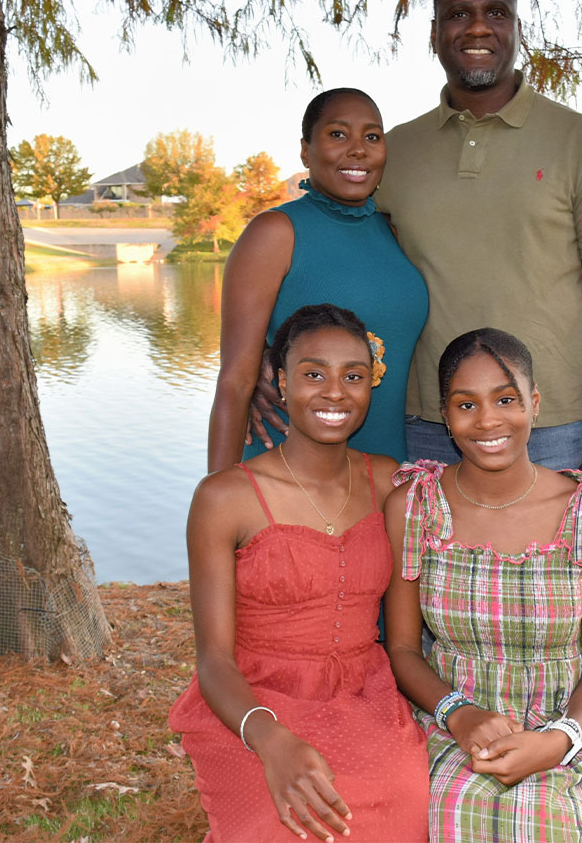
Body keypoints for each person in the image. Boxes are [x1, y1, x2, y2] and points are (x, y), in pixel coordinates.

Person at [375, 0, 582, 488]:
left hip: (553, 429)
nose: (478, 27)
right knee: (421, 574)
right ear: (435, 34)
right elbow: (352, 272)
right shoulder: (395, 151)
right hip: (423, 426)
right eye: (459, 14)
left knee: (560, 573)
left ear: (518, 30)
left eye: (496, 13)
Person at [170, 304, 430, 842]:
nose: (334, 392)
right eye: (314, 374)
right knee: (280, 827)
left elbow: (484, 507)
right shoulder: (224, 497)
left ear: (370, 388)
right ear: (281, 383)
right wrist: (272, 741)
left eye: (352, 376)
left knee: (401, 812)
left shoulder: (391, 483)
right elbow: (213, 660)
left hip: (365, 695)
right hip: (251, 702)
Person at [384, 328, 582, 842]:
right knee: (445, 814)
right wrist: (458, 714)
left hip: (569, 719)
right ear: (445, 415)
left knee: (538, 823)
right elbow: (405, 649)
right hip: (450, 713)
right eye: (466, 404)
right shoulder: (415, 507)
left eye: (506, 399)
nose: (488, 420)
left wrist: (558, 740)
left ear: (535, 403)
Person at [208, 88, 428, 471]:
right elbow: (235, 382)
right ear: (306, 150)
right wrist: (215, 501)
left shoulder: (391, 231)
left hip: (383, 474)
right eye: (338, 134)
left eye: (372, 137)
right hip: (287, 473)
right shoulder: (275, 231)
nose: (357, 149)